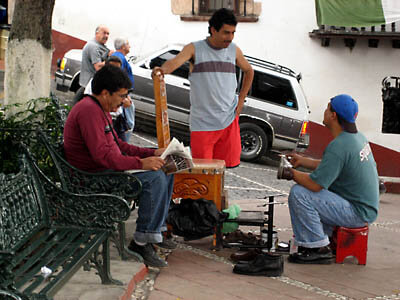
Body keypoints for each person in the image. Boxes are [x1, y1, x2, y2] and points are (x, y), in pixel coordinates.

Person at [64, 64, 175, 268]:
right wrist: (141, 163)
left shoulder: (101, 108)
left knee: (167, 170)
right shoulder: (89, 110)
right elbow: (103, 156)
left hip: (107, 171)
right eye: (121, 95)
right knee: (155, 178)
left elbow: (119, 146)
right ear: (105, 93)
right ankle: (141, 242)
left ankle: (154, 232)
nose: (124, 101)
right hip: (94, 179)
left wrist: (152, 153)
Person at [278, 94, 379, 264]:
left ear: (333, 115)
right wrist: (303, 161)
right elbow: (331, 165)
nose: (324, 111)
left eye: (327, 108)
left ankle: (315, 248)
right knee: (314, 193)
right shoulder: (356, 138)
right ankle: (321, 238)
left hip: (357, 213)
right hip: (364, 208)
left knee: (300, 193)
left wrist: (290, 173)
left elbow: (315, 185)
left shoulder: (339, 145)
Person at [152, 8, 254, 168]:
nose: (230, 38)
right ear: (213, 30)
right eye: (226, 33)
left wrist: (241, 100)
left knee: (222, 169)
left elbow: (249, 71)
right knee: (203, 171)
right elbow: (174, 62)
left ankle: (217, 194)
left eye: (233, 33)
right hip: (203, 124)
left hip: (228, 120)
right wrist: (162, 70)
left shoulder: (234, 50)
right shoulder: (194, 49)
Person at [74, 25, 111, 104]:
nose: (106, 36)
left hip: (89, 85)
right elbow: (98, 67)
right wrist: (110, 60)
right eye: (104, 33)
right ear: (97, 33)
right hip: (89, 85)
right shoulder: (94, 47)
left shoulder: (98, 45)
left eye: (108, 34)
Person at [111, 38, 135, 142]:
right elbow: (117, 78)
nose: (130, 46)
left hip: (125, 94)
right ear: (123, 46)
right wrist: (124, 96)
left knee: (127, 122)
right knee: (128, 123)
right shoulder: (118, 58)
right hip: (124, 95)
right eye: (128, 44)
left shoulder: (121, 57)